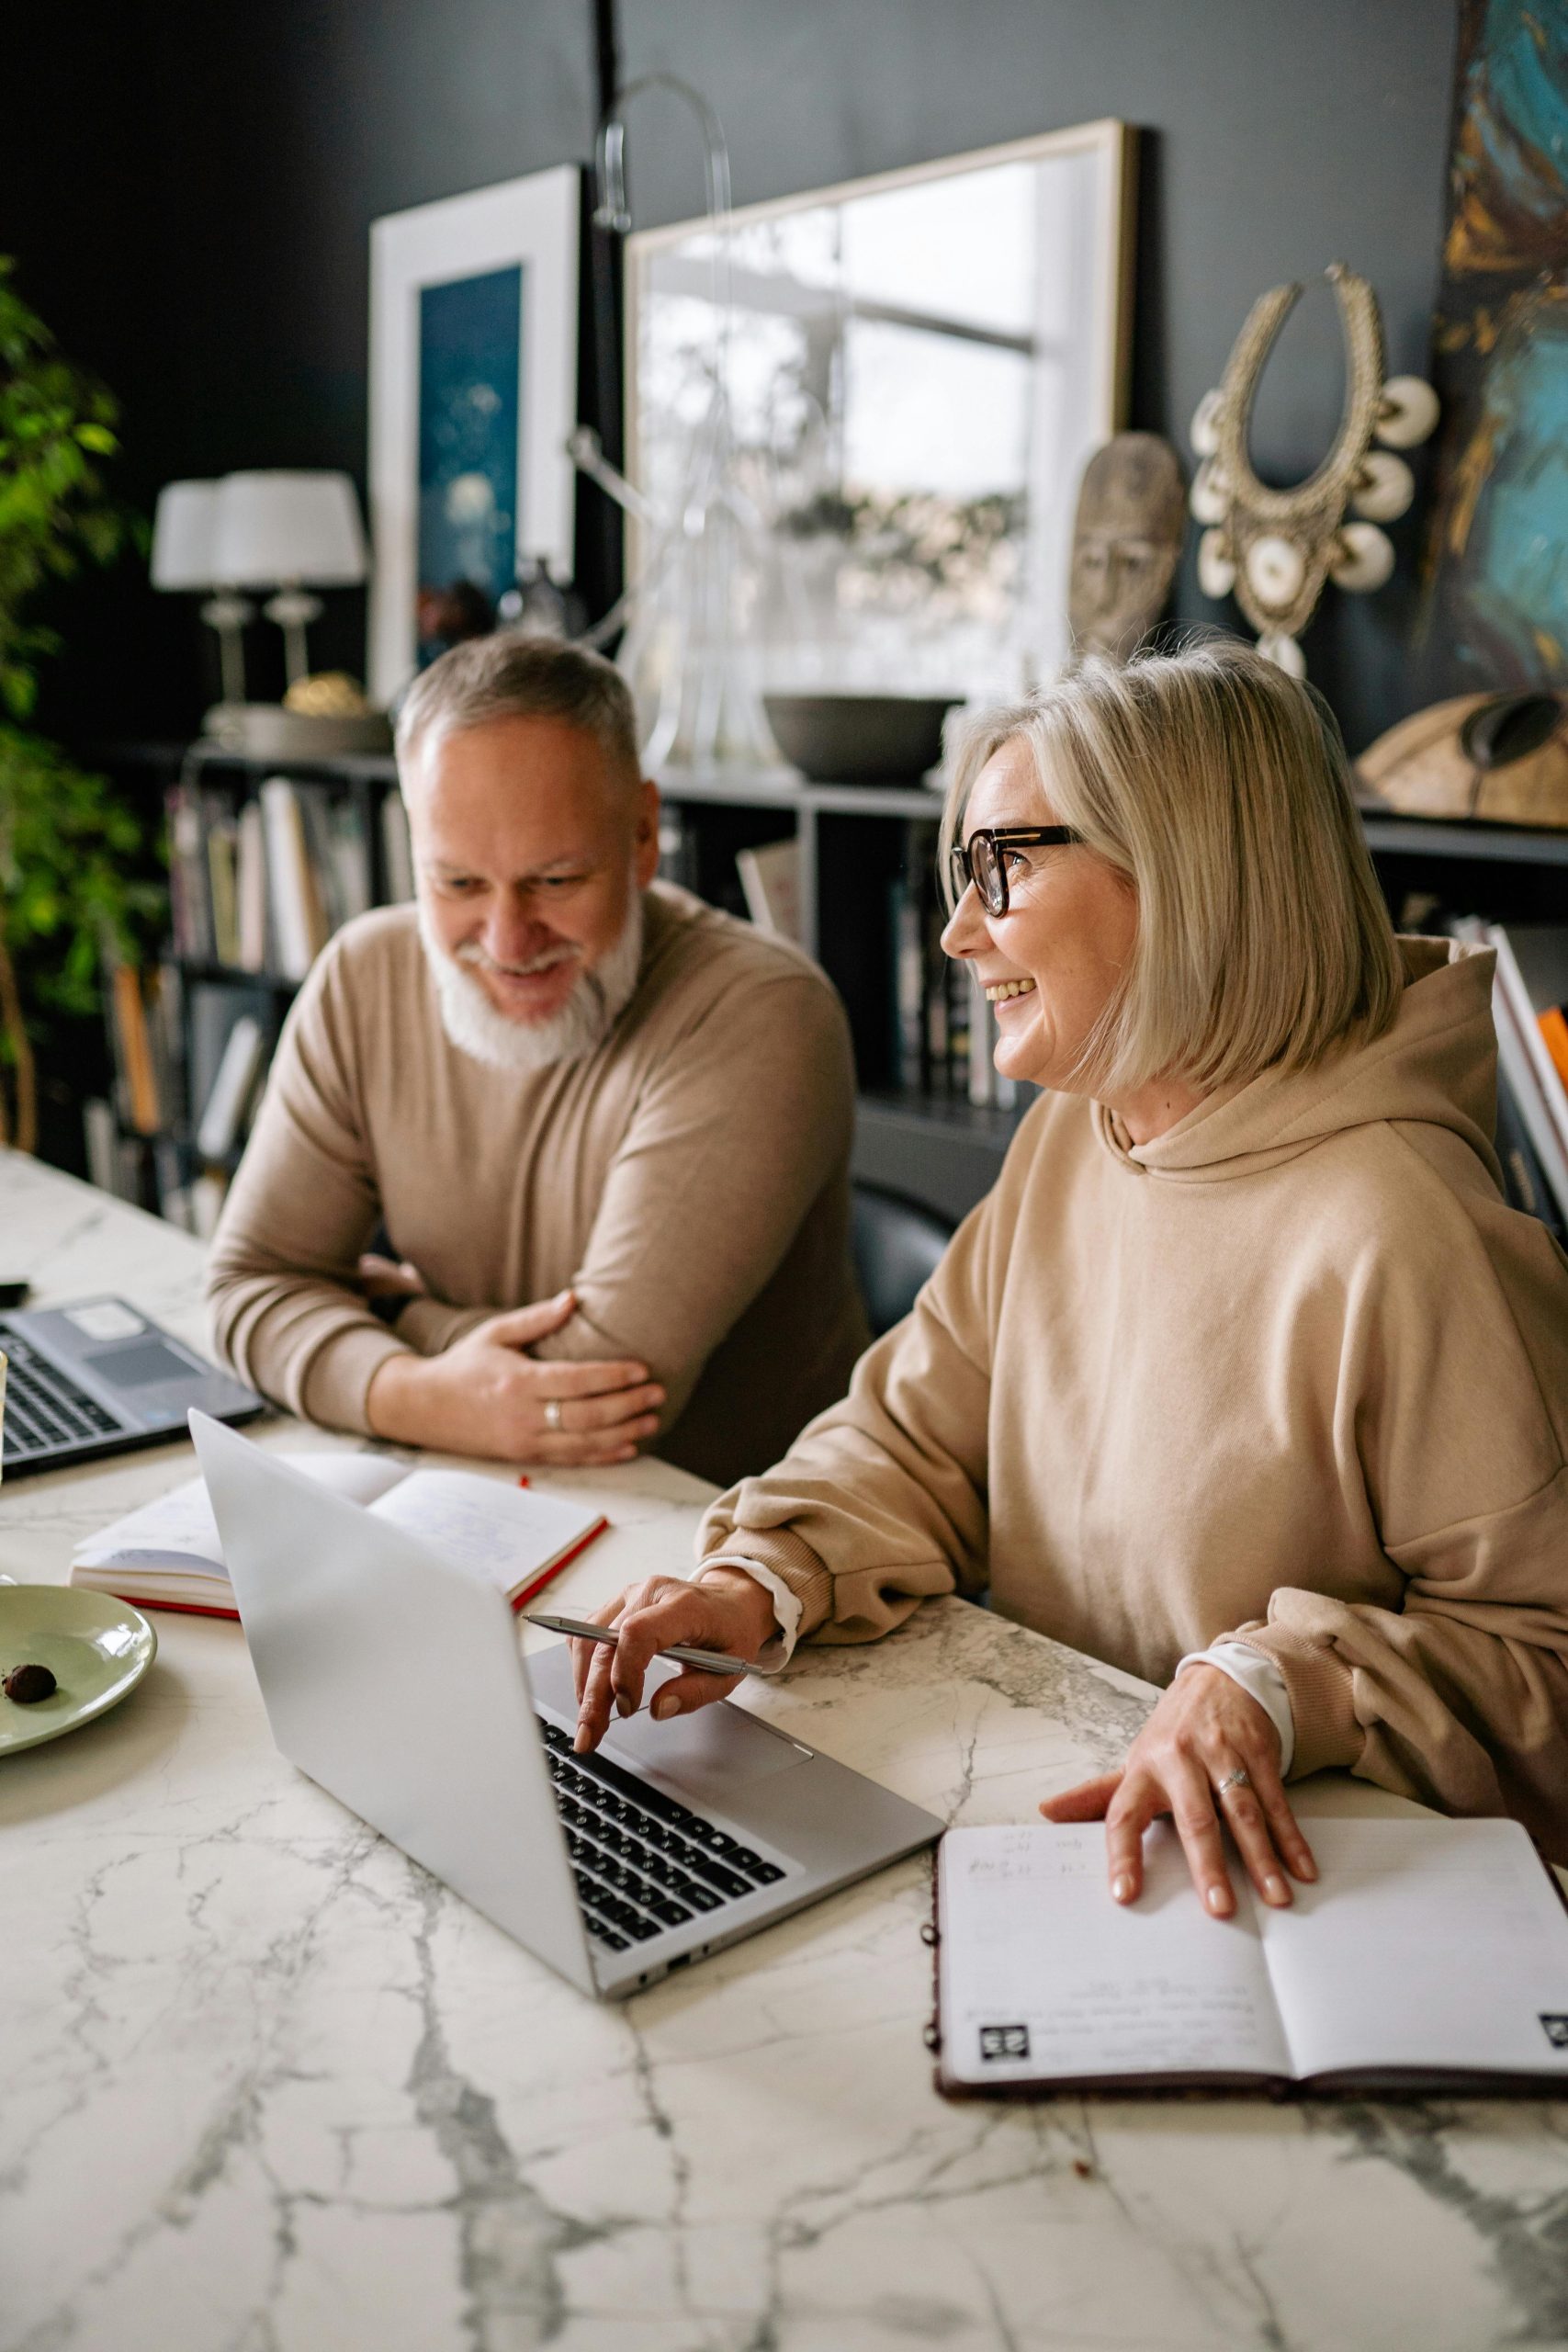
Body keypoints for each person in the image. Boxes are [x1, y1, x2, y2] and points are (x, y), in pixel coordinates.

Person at [570, 639, 1568, 1917]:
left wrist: (1276, 1683)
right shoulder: (1072, 1135)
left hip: (1298, 1896)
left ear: (1182, 878)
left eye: (1003, 866)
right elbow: (914, 1438)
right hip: (1066, 1834)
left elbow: (1542, 1664)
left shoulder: (1404, 1226)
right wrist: (751, 1579)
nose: (954, 930)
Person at [205, 635, 868, 1487]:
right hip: (474, 1496)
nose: (507, 942)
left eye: (555, 881)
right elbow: (246, 1287)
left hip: (737, 1555)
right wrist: (424, 1390)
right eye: (457, 885)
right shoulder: (364, 978)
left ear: (640, 836)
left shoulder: (760, 1012)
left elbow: (606, 1395)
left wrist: (390, 1308)